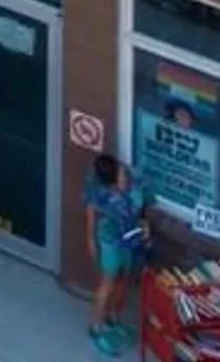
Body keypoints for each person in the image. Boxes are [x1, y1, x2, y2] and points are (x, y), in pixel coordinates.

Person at [86, 150, 150, 355]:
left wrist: (144, 224)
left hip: (129, 240)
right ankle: (96, 329)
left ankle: (114, 319)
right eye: (119, 177)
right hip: (110, 241)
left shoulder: (134, 182)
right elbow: (91, 212)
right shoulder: (101, 191)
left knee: (123, 279)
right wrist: (91, 240)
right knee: (108, 282)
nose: (123, 178)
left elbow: (142, 208)